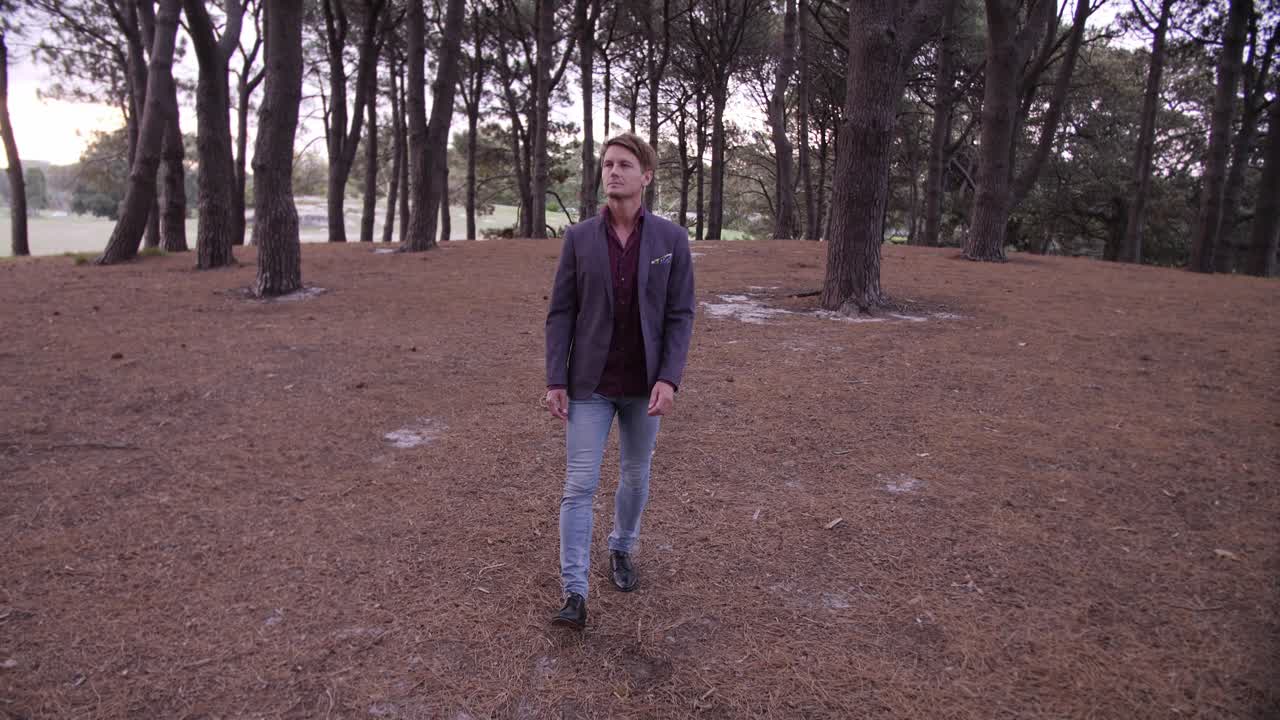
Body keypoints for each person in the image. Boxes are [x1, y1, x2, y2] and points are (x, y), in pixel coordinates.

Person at [543, 132, 695, 630]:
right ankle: (575, 592)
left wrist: (669, 379)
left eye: (624, 165)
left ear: (646, 176)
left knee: (635, 475)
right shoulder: (579, 238)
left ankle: (623, 547)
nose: (612, 172)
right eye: (607, 164)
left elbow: (680, 314)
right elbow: (561, 313)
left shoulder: (670, 240)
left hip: (644, 385)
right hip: (590, 383)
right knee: (579, 484)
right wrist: (555, 378)